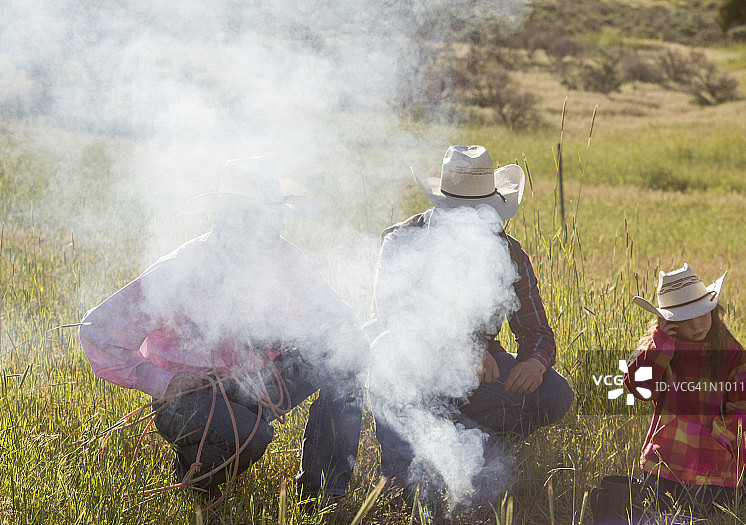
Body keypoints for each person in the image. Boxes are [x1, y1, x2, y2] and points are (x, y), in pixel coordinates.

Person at [79, 156, 368, 502]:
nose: (274, 228)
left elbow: (338, 317)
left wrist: (282, 331)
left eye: (275, 216)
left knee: (347, 352)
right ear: (233, 216)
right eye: (263, 217)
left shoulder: (282, 256)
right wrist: (166, 383)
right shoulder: (183, 269)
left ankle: (324, 493)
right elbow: (96, 330)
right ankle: (195, 475)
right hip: (189, 396)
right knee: (252, 435)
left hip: (255, 382)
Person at [367, 145, 574, 510]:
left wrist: (534, 363)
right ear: (442, 205)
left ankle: (469, 434)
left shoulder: (509, 253)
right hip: (417, 370)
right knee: (384, 352)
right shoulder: (403, 240)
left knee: (556, 393)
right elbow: (393, 317)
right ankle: (403, 479)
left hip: (479, 378)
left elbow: (537, 331)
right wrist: (457, 349)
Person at [626, 263, 746, 516]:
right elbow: (640, 389)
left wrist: (720, 434)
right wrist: (661, 348)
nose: (698, 325)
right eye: (686, 320)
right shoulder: (661, 349)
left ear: (714, 310)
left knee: (700, 511)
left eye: (704, 314)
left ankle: (740, 488)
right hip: (667, 456)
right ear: (669, 323)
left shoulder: (730, 352)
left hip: (715, 456)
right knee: (652, 507)